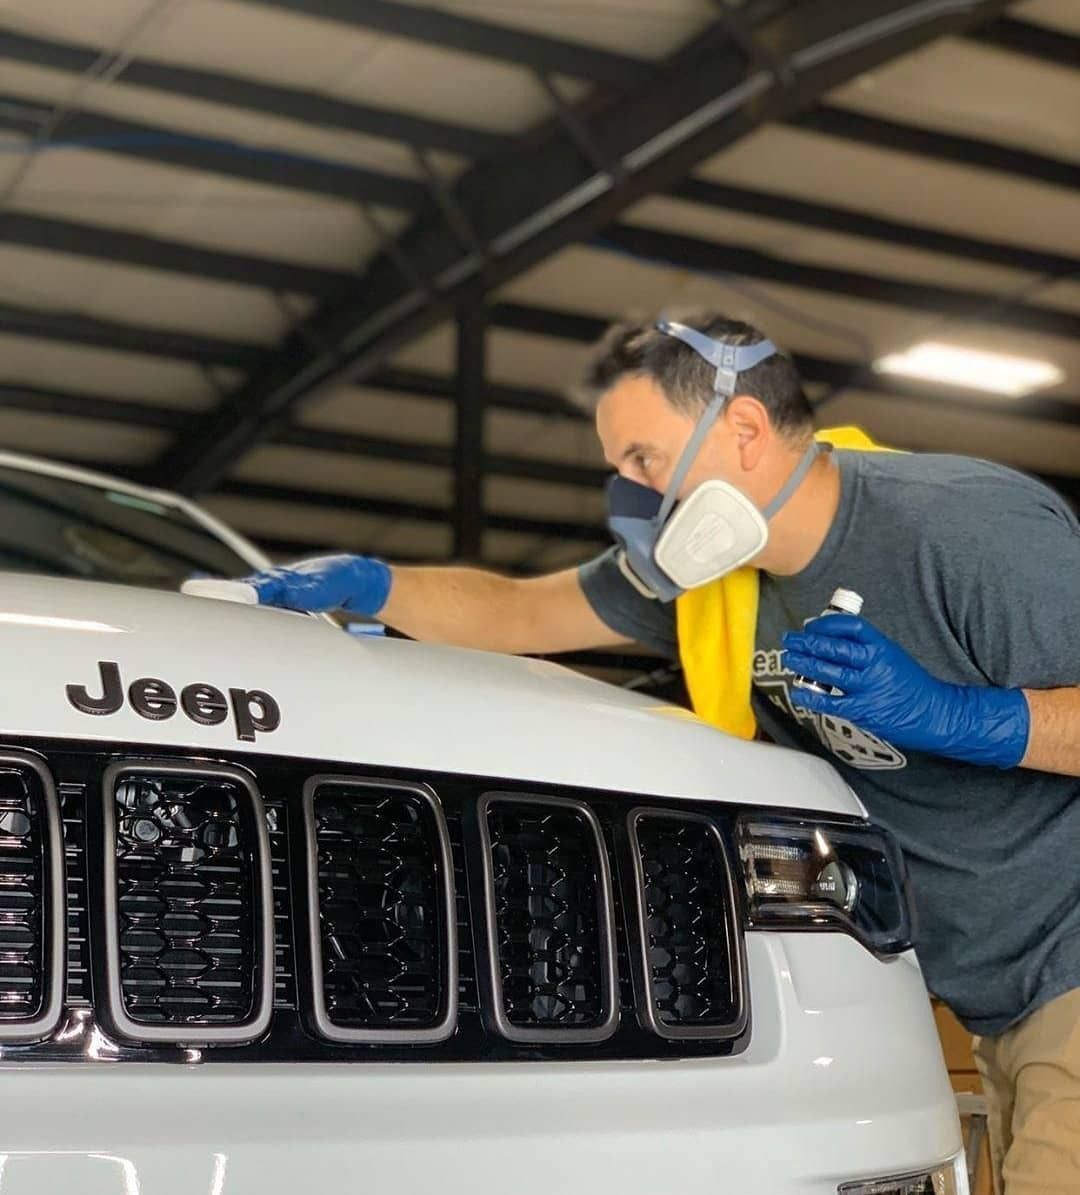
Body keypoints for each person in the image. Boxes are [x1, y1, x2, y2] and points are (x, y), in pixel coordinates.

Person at [210, 312, 1080, 1194]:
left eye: (644, 459)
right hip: (993, 997)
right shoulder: (709, 580)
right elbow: (520, 613)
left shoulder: (965, 529)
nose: (630, 492)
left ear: (742, 428)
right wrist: (378, 584)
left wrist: (956, 715)